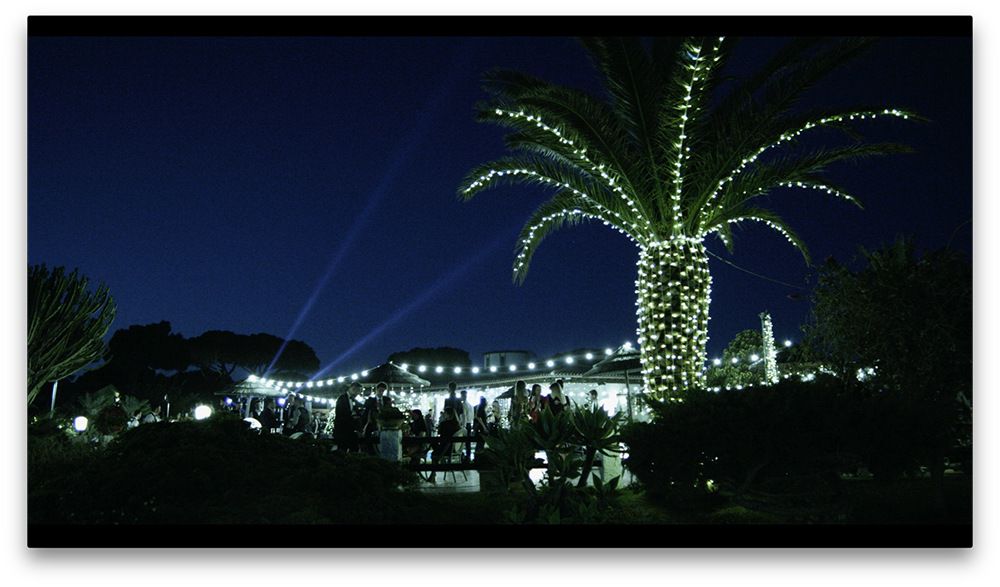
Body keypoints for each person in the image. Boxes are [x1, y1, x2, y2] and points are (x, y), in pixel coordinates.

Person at [428, 407, 460, 483]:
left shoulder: (444, 424)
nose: (443, 414)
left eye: (445, 413)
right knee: (435, 447)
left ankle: (433, 473)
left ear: (449, 414)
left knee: (434, 450)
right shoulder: (457, 425)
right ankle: (438, 463)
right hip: (454, 449)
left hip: (446, 449)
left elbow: (442, 438)